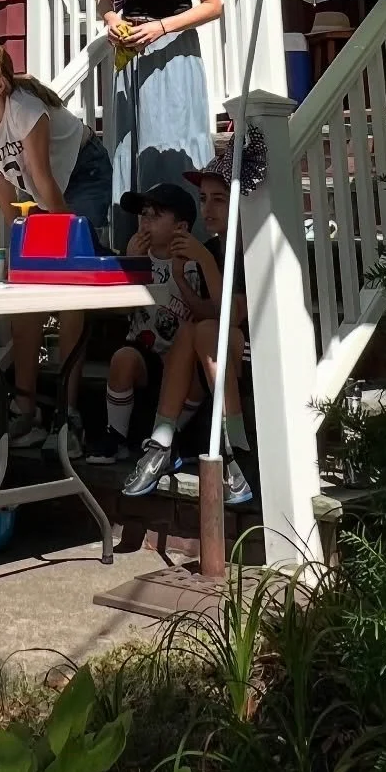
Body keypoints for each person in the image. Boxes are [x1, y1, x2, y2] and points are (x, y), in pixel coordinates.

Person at [0, 39, 112, 451]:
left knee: (70, 290)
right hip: (45, 188)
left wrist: (57, 242)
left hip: (82, 174)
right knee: (25, 294)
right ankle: (27, 413)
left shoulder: (25, 112)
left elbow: (43, 182)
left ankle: (68, 417)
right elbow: (0, 180)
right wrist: (19, 239)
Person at [121, 130, 263, 506]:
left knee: (204, 333)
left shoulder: (251, 248)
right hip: (209, 355)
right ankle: (163, 442)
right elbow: (204, 314)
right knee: (194, 331)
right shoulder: (212, 247)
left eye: (219, 199)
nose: (208, 209)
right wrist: (184, 279)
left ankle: (228, 451)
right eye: (203, 200)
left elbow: (232, 316)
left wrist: (204, 262)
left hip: (248, 351)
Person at [87, 181, 216, 464]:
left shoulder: (195, 262)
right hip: (145, 355)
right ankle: (117, 435)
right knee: (122, 358)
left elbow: (208, 313)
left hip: (184, 358)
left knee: (197, 372)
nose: (145, 222)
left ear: (180, 227)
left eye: (155, 216)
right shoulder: (136, 258)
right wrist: (130, 265)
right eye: (143, 214)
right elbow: (121, 311)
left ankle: (171, 435)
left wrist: (182, 279)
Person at [98, 0, 221, 241]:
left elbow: (213, 5)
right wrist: (113, 22)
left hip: (174, 51)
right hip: (132, 55)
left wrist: (162, 27)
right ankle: (137, 244)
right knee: (132, 146)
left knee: (173, 143)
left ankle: (187, 246)